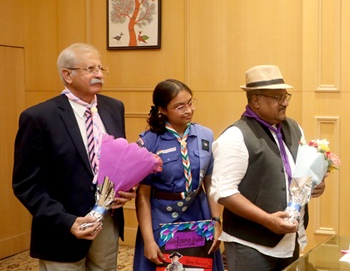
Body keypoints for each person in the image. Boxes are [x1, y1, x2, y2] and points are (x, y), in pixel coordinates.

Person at [12, 43, 135, 270]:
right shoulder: (39, 117)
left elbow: (118, 161)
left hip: (107, 222)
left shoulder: (114, 108)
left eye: (101, 68)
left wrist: (125, 188)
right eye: (90, 69)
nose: (99, 74)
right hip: (61, 227)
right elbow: (26, 184)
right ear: (67, 75)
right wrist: (67, 221)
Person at [209, 65, 326, 270]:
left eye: (286, 96)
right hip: (250, 245)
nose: (285, 103)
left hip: (290, 241)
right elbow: (224, 192)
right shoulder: (235, 136)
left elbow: (300, 171)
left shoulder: (294, 128)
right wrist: (267, 220)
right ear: (256, 101)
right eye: (278, 98)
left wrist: (316, 184)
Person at [133, 79, 224, 271]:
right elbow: (143, 195)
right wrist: (149, 240)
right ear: (163, 110)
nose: (188, 110)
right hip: (162, 218)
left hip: (198, 215)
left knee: (198, 267)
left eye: (190, 103)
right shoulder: (149, 142)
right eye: (179, 106)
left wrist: (216, 221)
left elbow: (211, 183)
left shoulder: (205, 136)